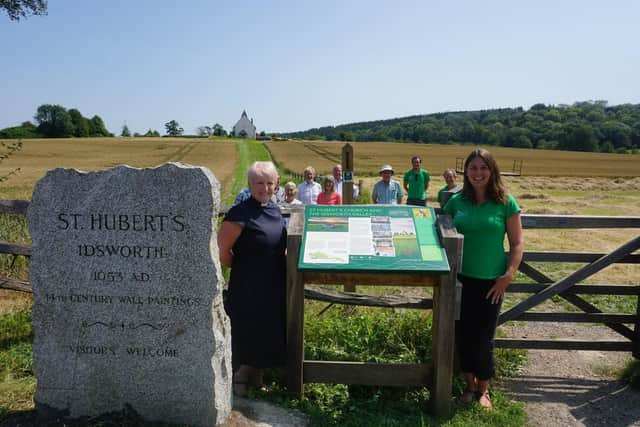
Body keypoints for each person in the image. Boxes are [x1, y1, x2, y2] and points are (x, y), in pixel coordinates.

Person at [443, 148, 524, 410]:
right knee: (463, 334)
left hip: (492, 282)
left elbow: (517, 244)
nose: (478, 173)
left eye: (483, 167)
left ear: (492, 170)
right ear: (466, 172)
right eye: (473, 168)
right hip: (461, 279)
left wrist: (507, 276)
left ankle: (484, 391)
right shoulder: (456, 202)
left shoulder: (505, 202)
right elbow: (441, 230)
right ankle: (468, 386)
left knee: (484, 336)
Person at [218, 161, 287, 397]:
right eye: (259, 182)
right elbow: (221, 251)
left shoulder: (275, 210)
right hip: (247, 284)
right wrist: (242, 268)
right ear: (249, 184)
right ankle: (239, 377)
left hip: (273, 282)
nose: (265, 188)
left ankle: (257, 375)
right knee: (246, 329)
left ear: (276, 185)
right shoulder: (239, 213)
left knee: (267, 329)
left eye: (270, 183)